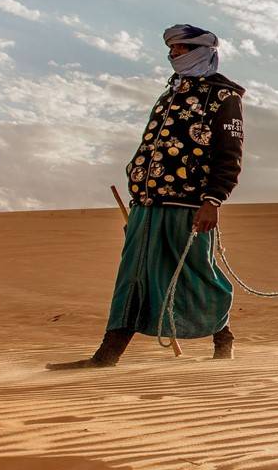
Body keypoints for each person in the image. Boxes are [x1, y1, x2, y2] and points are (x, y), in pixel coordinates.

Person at [47, 24, 246, 370]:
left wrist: (213, 200)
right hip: (147, 204)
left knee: (197, 272)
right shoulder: (170, 95)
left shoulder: (224, 98)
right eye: (172, 49)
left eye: (182, 49)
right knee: (133, 276)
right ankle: (107, 355)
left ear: (201, 51)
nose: (174, 54)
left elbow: (230, 154)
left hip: (189, 205)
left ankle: (223, 339)